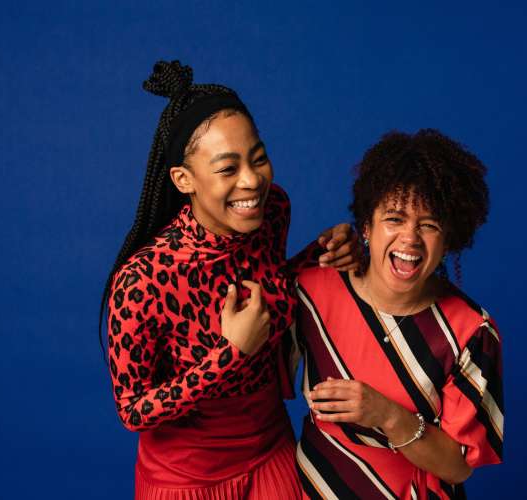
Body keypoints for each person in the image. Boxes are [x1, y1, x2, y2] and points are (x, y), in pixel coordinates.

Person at [100, 61, 359, 500]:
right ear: (185, 180)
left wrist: (323, 256)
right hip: (186, 481)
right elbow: (133, 409)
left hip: (271, 451)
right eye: (227, 168)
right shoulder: (142, 282)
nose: (252, 180)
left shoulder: (271, 212)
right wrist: (231, 354)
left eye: (258, 158)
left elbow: (269, 287)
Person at [294, 129, 503, 499]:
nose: (410, 238)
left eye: (429, 225)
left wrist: (387, 416)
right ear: (366, 226)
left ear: (449, 238)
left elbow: (458, 466)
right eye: (394, 218)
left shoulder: (471, 330)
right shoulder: (312, 290)